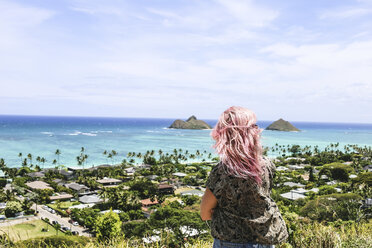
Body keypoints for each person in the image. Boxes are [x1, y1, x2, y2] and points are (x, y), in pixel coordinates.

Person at [200, 106, 288, 248]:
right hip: (263, 240)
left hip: (228, 242)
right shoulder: (266, 166)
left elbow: (205, 213)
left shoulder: (221, 171)